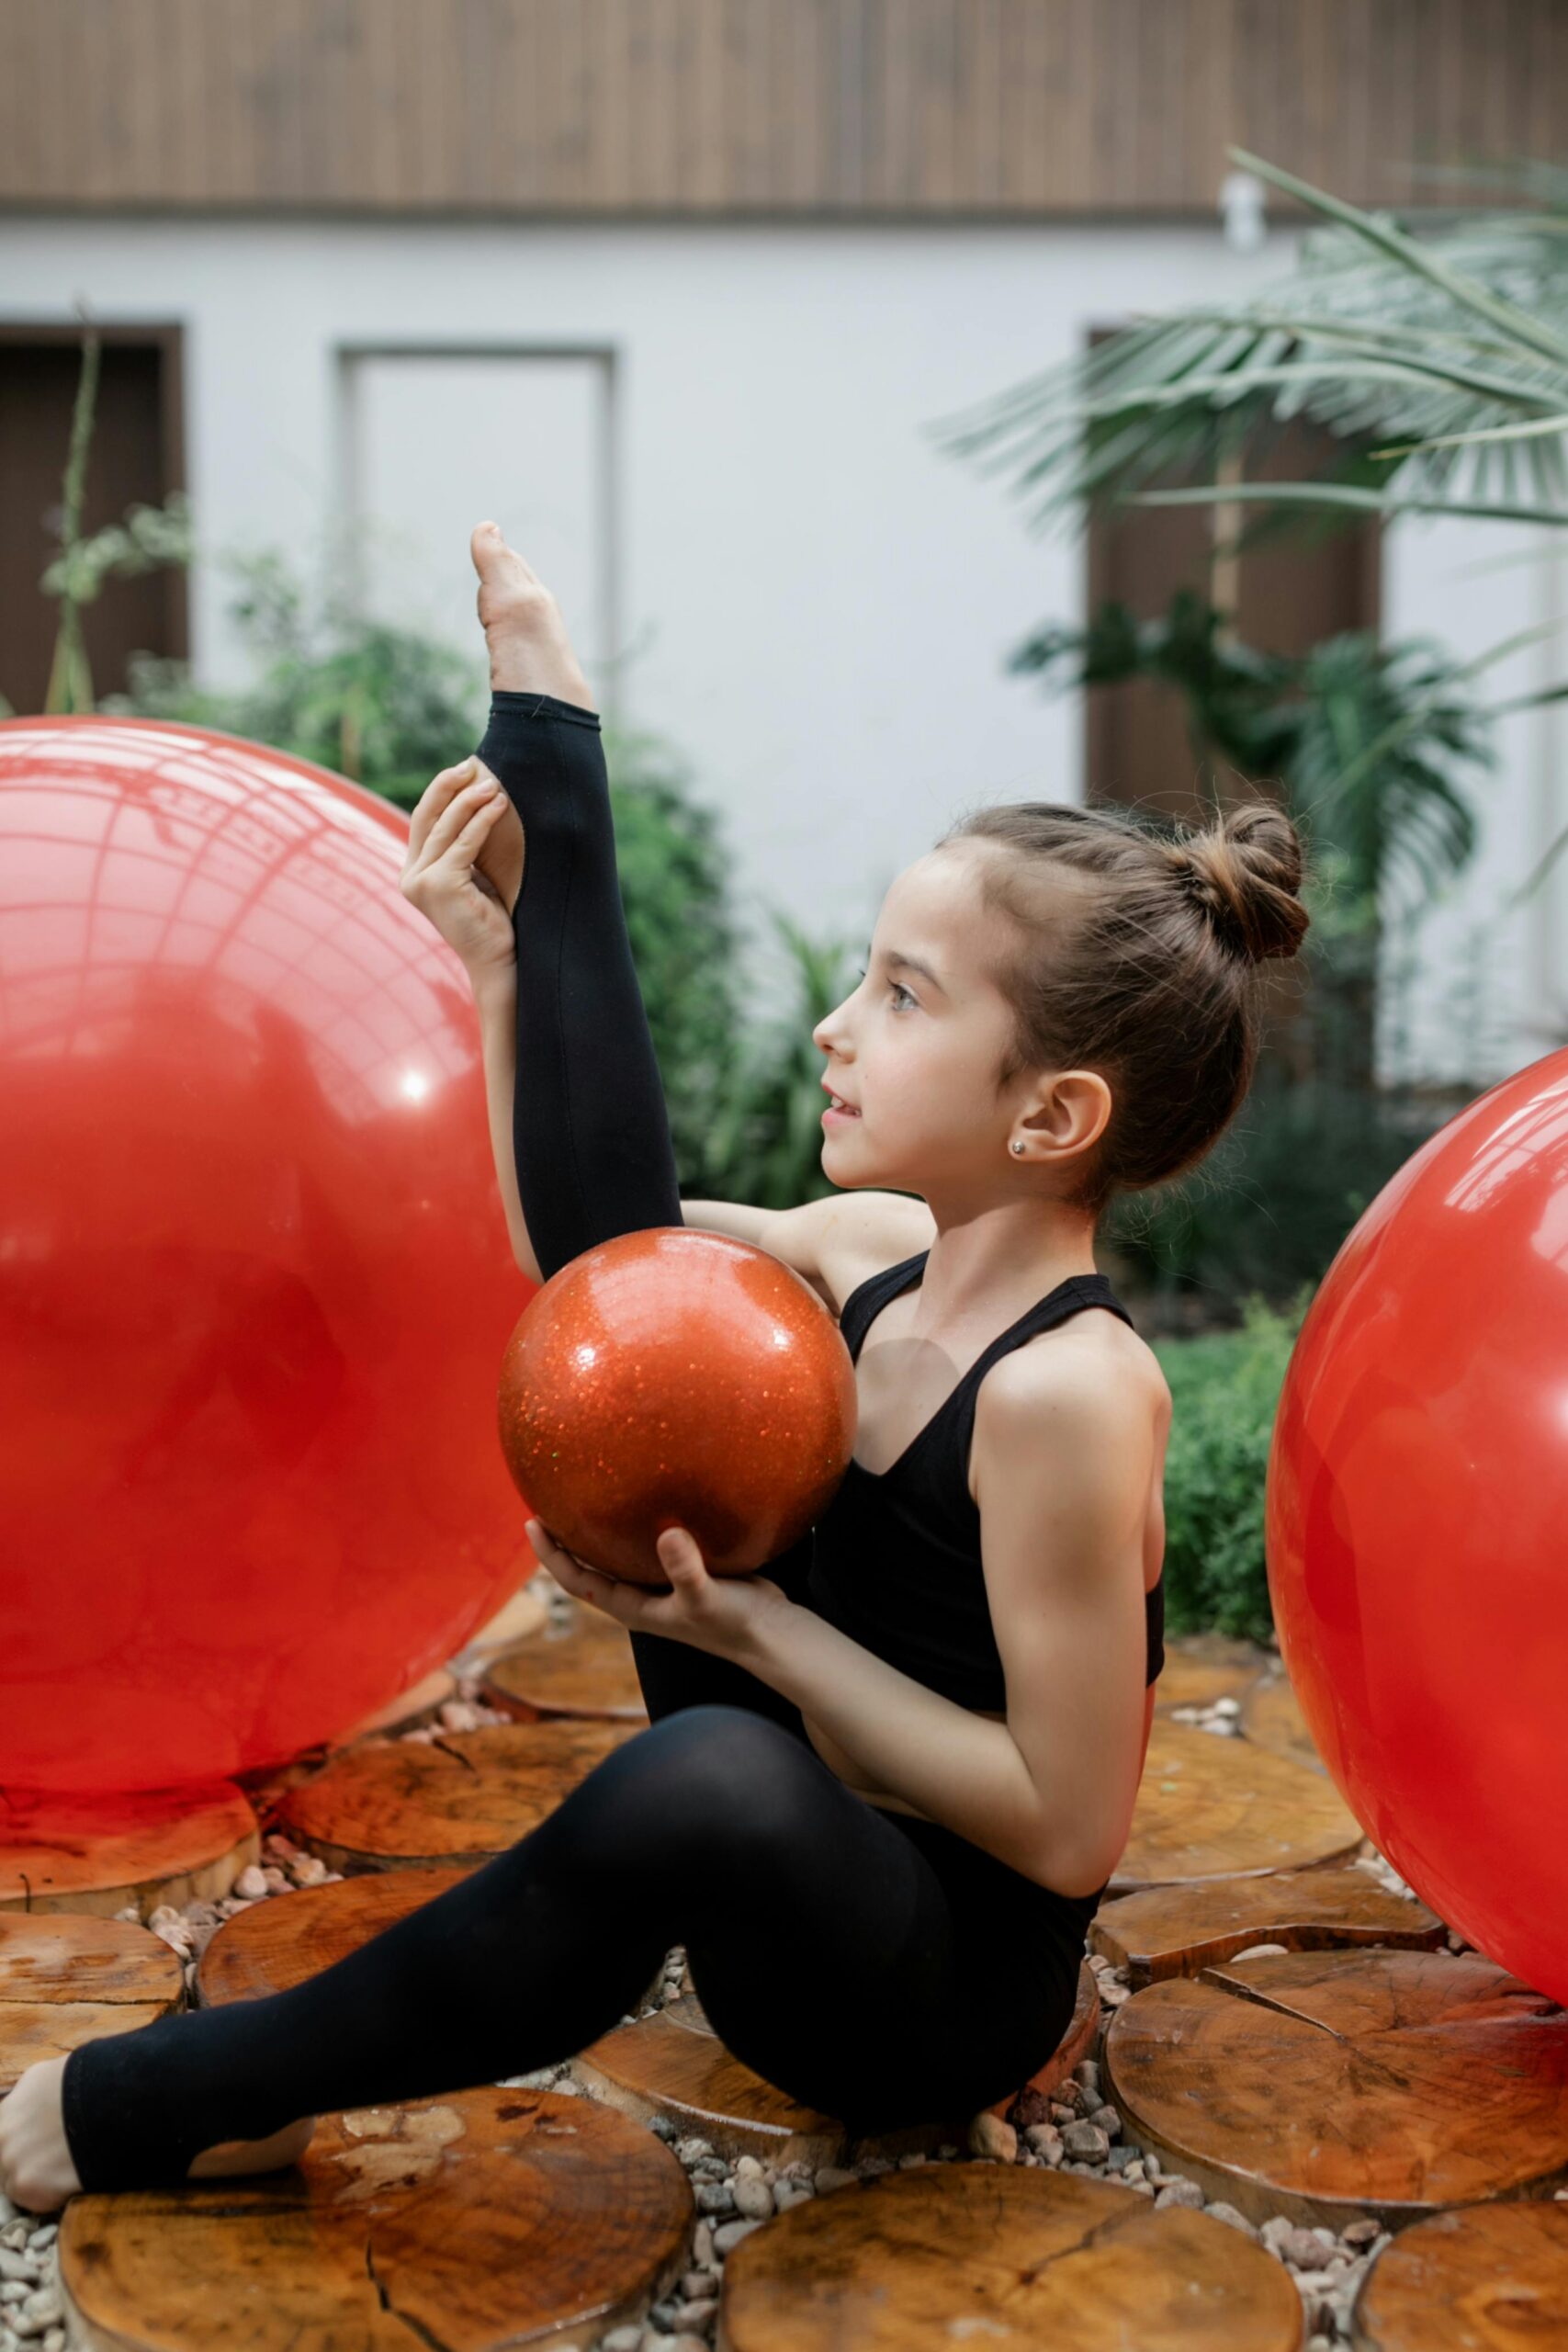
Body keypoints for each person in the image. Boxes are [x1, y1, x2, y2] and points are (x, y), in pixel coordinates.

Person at [0, 525, 1308, 2212]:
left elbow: (1062, 1833)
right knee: (657, 1311)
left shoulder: (1073, 1391)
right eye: (863, 975)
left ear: (1052, 1117)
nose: (838, 1024)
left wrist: (753, 1631)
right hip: (772, 1864)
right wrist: (494, 966)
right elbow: (592, 1264)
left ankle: (199, 2097)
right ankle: (562, 787)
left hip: (926, 1990)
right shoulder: (863, 1259)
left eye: (903, 998)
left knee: (713, 1770)